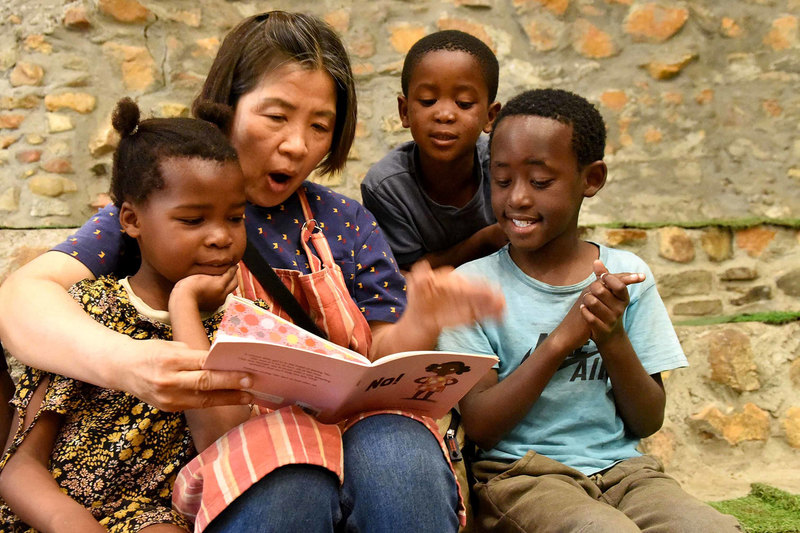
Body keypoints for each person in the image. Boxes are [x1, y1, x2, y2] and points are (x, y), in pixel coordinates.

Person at [0, 12, 504, 533]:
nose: (295, 145)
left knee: (397, 449)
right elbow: (22, 297)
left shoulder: (347, 223)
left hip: (357, 434)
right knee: (287, 471)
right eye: (276, 116)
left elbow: (383, 358)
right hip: (247, 459)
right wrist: (129, 362)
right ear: (228, 109)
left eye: (319, 126)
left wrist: (423, 318)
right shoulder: (164, 210)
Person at [437, 89, 742, 532]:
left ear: (591, 179)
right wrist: (563, 339)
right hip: (520, 475)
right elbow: (482, 427)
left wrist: (611, 335)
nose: (517, 198)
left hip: (625, 473)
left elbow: (646, 419)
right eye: (501, 180)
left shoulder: (627, 274)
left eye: (540, 182)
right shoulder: (471, 286)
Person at [0, 98, 250, 532]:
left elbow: (218, 442)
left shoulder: (244, 325)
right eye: (193, 220)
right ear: (131, 220)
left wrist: (184, 308)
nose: (220, 237)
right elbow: (20, 468)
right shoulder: (87, 312)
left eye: (235, 218)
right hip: (51, 515)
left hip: (151, 517)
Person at [361, 30, 507, 272]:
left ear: (490, 117)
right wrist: (484, 241)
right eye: (428, 101)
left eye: (464, 104)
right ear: (404, 111)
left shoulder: (504, 166)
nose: (445, 115)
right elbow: (405, 276)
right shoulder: (387, 187)